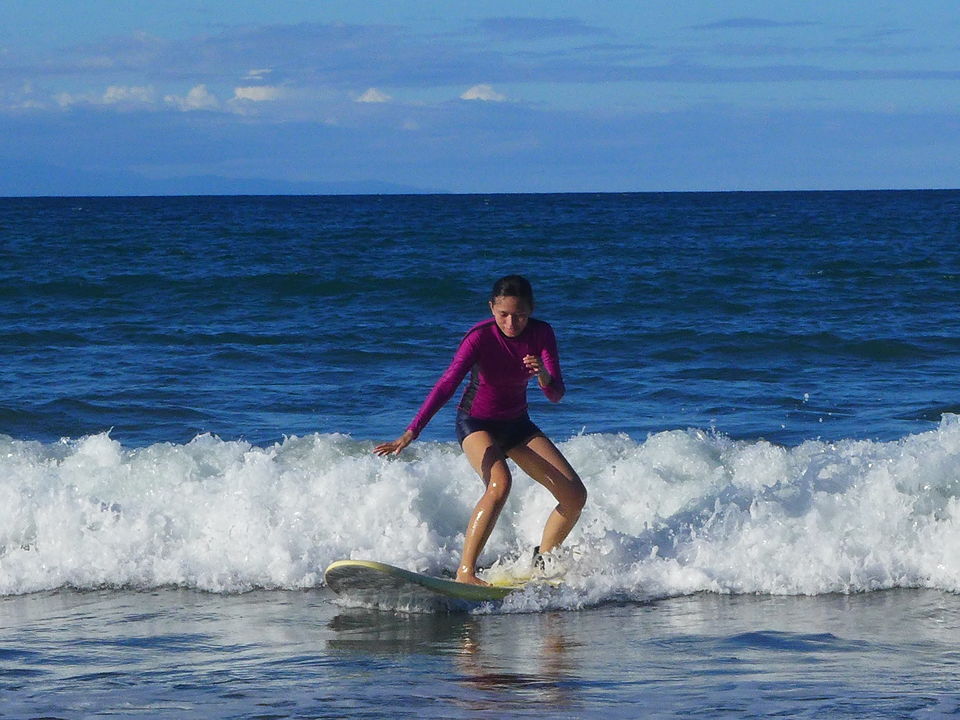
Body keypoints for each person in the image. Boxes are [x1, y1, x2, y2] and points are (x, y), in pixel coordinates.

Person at [374, 275, 587, 585]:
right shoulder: (479, 337)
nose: (512, 323)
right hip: (475, 422)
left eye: (520, 315)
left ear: (531, 310)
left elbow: (556, 394)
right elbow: (447, 384)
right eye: (503, 314)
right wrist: (412, 432)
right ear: (492, 308)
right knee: (500, 483)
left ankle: (543, 562)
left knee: (574, 496)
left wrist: (542, 375)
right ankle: (466, 572)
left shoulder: (542, 333)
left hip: (517, 424)